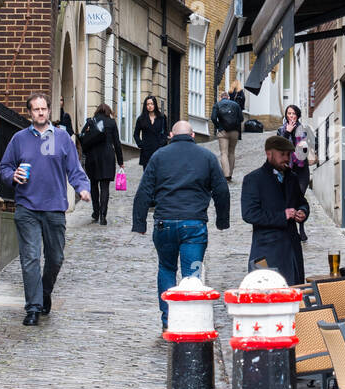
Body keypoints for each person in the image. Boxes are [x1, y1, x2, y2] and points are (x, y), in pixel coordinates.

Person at [0, 92, 91, 325]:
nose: (40, 112)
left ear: (49, 111)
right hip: (27, 207)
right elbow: (4, 168)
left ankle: (45, 292)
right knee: (30, 258)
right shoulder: (19, 139)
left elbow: (75, 169)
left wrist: (82, 188)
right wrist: (13, 175)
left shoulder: (62, 138)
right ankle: (33, 308)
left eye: (44, 109)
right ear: (29, 113)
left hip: (54, 207)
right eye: (36, 109)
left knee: (56, 257)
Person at [131, 119, 230, 333]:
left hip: (164, 223)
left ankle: (168, 320)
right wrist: (222, 220)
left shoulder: (159, 156)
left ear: (170, 135)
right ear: (193, 135)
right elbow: (221, 190)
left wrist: (139, 223)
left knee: (166, 268)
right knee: (191, 275)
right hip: (193, 224)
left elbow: (144, 190)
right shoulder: (207, 157)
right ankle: (190, 319)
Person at [241, 135, 309, 284]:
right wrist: (281, 216)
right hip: (267, 249)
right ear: (269, 154)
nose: (286, 159)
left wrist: (303, 211)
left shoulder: (292, 177)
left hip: (292, 250)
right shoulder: (253, 179)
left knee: (295, 294)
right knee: (268, 295)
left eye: (288, 155)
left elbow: (301, 202)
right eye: (282, 154)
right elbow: (249, 214)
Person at [78, 103, 124, 225]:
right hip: (107, 156)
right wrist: (120, 161)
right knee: (105, 187)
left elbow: (82, 137)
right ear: (108, 111)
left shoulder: (91, 121)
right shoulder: (111, 123)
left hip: (92, 157)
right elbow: (117, 143)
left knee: (94, 184)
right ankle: (103, 215)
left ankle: (96, 212)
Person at [278, 104, 312, 241]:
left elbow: (307, 149)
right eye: (289, 113)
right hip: (287, 169)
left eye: (293, 114)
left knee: (299, 198)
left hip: (302, 169)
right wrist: (287, 132)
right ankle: (291, 227)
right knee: (290, 198)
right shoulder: (281, 130)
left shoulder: (303, 129)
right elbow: (279, 146)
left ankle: (302, 227)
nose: (291, 116)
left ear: (297, 115)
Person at [210, 86, 245, 180]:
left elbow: (213, 118)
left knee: (224, 153)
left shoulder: (217, 105)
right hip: (234, 132)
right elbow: (241, 118)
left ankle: (226, 175)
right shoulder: (235, 105)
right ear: (228, 97)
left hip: (223, 132)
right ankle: (231, 173)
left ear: (220, 98)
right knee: (232, 152)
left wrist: (219, 127)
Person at [134, 95, 169, 168]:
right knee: (147, 173)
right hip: (146, 150)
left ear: (155, 105)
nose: (150, 106)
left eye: (152, 104)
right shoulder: (141, 119)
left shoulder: (162, 117)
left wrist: (162, 143)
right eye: (148, 104)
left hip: (159, 149)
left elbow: (165, 132)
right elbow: (136, 134)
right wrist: (141, 144)